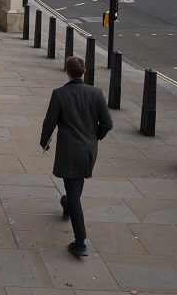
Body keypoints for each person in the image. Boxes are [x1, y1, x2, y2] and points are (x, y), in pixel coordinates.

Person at [40, 56, 113, 258]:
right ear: (85, 71)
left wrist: (44, 141)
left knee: (73, 191)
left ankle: (80, 242)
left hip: (69, 151)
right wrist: (94, 138)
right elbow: (107, 124)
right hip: (89, 150)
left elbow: (50, 122)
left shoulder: (59, 94)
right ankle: (66, 205)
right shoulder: (96, 93)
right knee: (75, 187)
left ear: (67, 72)